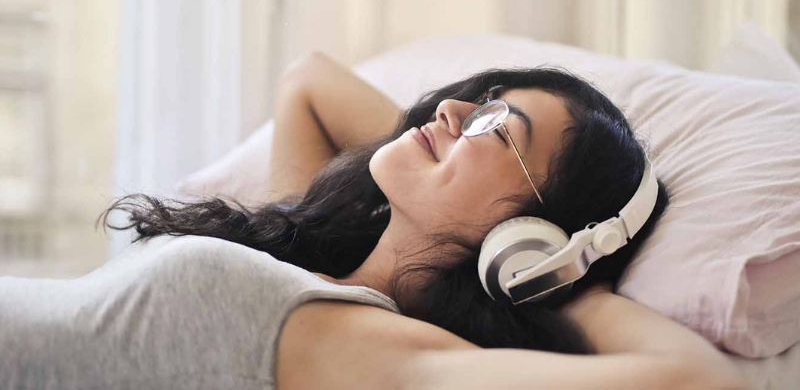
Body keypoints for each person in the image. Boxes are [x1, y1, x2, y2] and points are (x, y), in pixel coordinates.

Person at [0, 52, 747, 389]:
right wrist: (449, 149)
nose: (453, 111)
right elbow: (310, 83)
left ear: (532, 234)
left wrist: (555, 272)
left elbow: (698, 384)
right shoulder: (313, 252)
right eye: (478, 98)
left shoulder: (367, 352)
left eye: (499, 127)